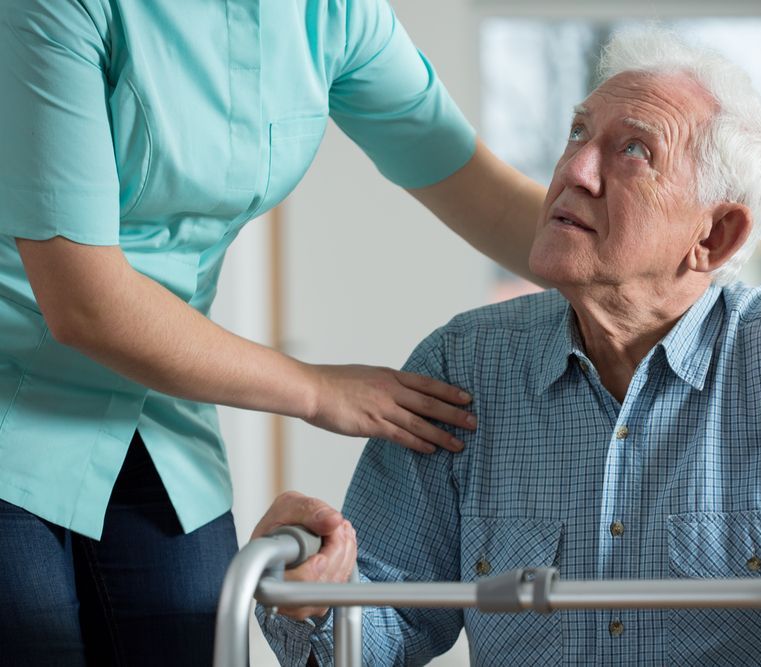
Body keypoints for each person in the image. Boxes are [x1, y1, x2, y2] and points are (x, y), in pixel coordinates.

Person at [254, 25, 761, 666]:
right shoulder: (464, 367)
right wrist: (315, 597)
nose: (574, 171)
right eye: (578, 134)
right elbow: (381, 627)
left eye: (633, 150)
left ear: (716, 235)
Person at [0, 0, 545, 665]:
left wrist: (651, 264)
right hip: (14, 398)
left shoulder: (333, 15)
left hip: (157, 407)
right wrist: (316, 390)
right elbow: (84, 303)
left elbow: (487, 197)